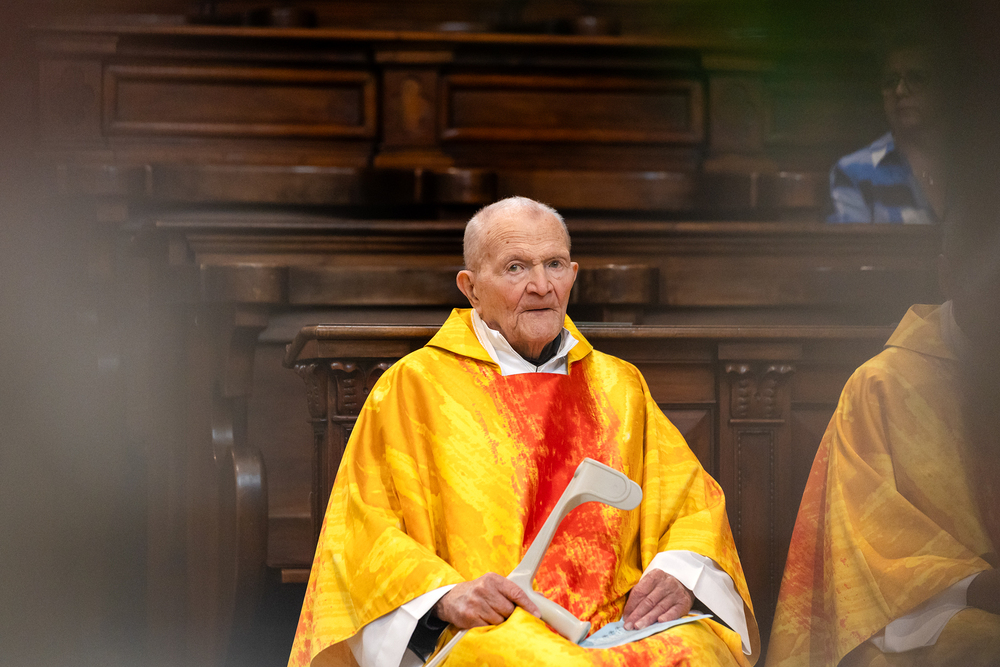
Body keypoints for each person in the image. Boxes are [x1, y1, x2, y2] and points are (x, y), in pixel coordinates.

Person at [287, 196, 759, 667]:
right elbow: (364, 530)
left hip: (619, 620)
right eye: (516, 268)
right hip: (493, 624)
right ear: (471, 288)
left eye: (554, 264)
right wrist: (446, 596)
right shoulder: (415, 388)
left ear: (573, 275)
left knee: (698, 653)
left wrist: (678, 573)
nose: (541, 286)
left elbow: (691, 505)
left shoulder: (619, 386)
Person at [765, 208, 1000, 666]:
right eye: (989, 281)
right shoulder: (881, 386)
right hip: (922, 617)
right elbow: (864, 555)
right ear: (948, 275)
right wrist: (978, 585)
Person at [827, 34, 945, 223]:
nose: (900, 91)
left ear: (946, 87)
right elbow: (851, 243)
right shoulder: (853, 171)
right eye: (890, 81)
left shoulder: (979, 165)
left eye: (916, 78)